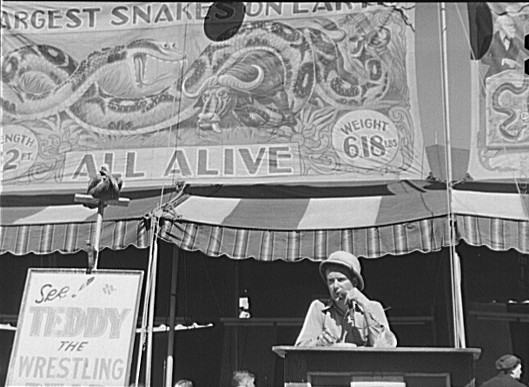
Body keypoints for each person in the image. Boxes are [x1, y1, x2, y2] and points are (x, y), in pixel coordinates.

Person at [295, 250, 397, 347]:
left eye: (341, 280)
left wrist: (365, 304)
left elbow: (386, 348)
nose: (335, 286)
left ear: (354, 282)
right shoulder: (319, 308)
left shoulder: (373, 307)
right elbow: (299, 348)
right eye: (330, 281)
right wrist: (319, 343)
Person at [481, 13, 524, 80]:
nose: (513, 29)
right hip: (494, 78)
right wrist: (503, 61)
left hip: (511, 78)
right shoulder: (491, 40)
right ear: (501, 27)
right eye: (510, 25)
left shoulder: (516, 40)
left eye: (513, 25)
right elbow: (484, 59)